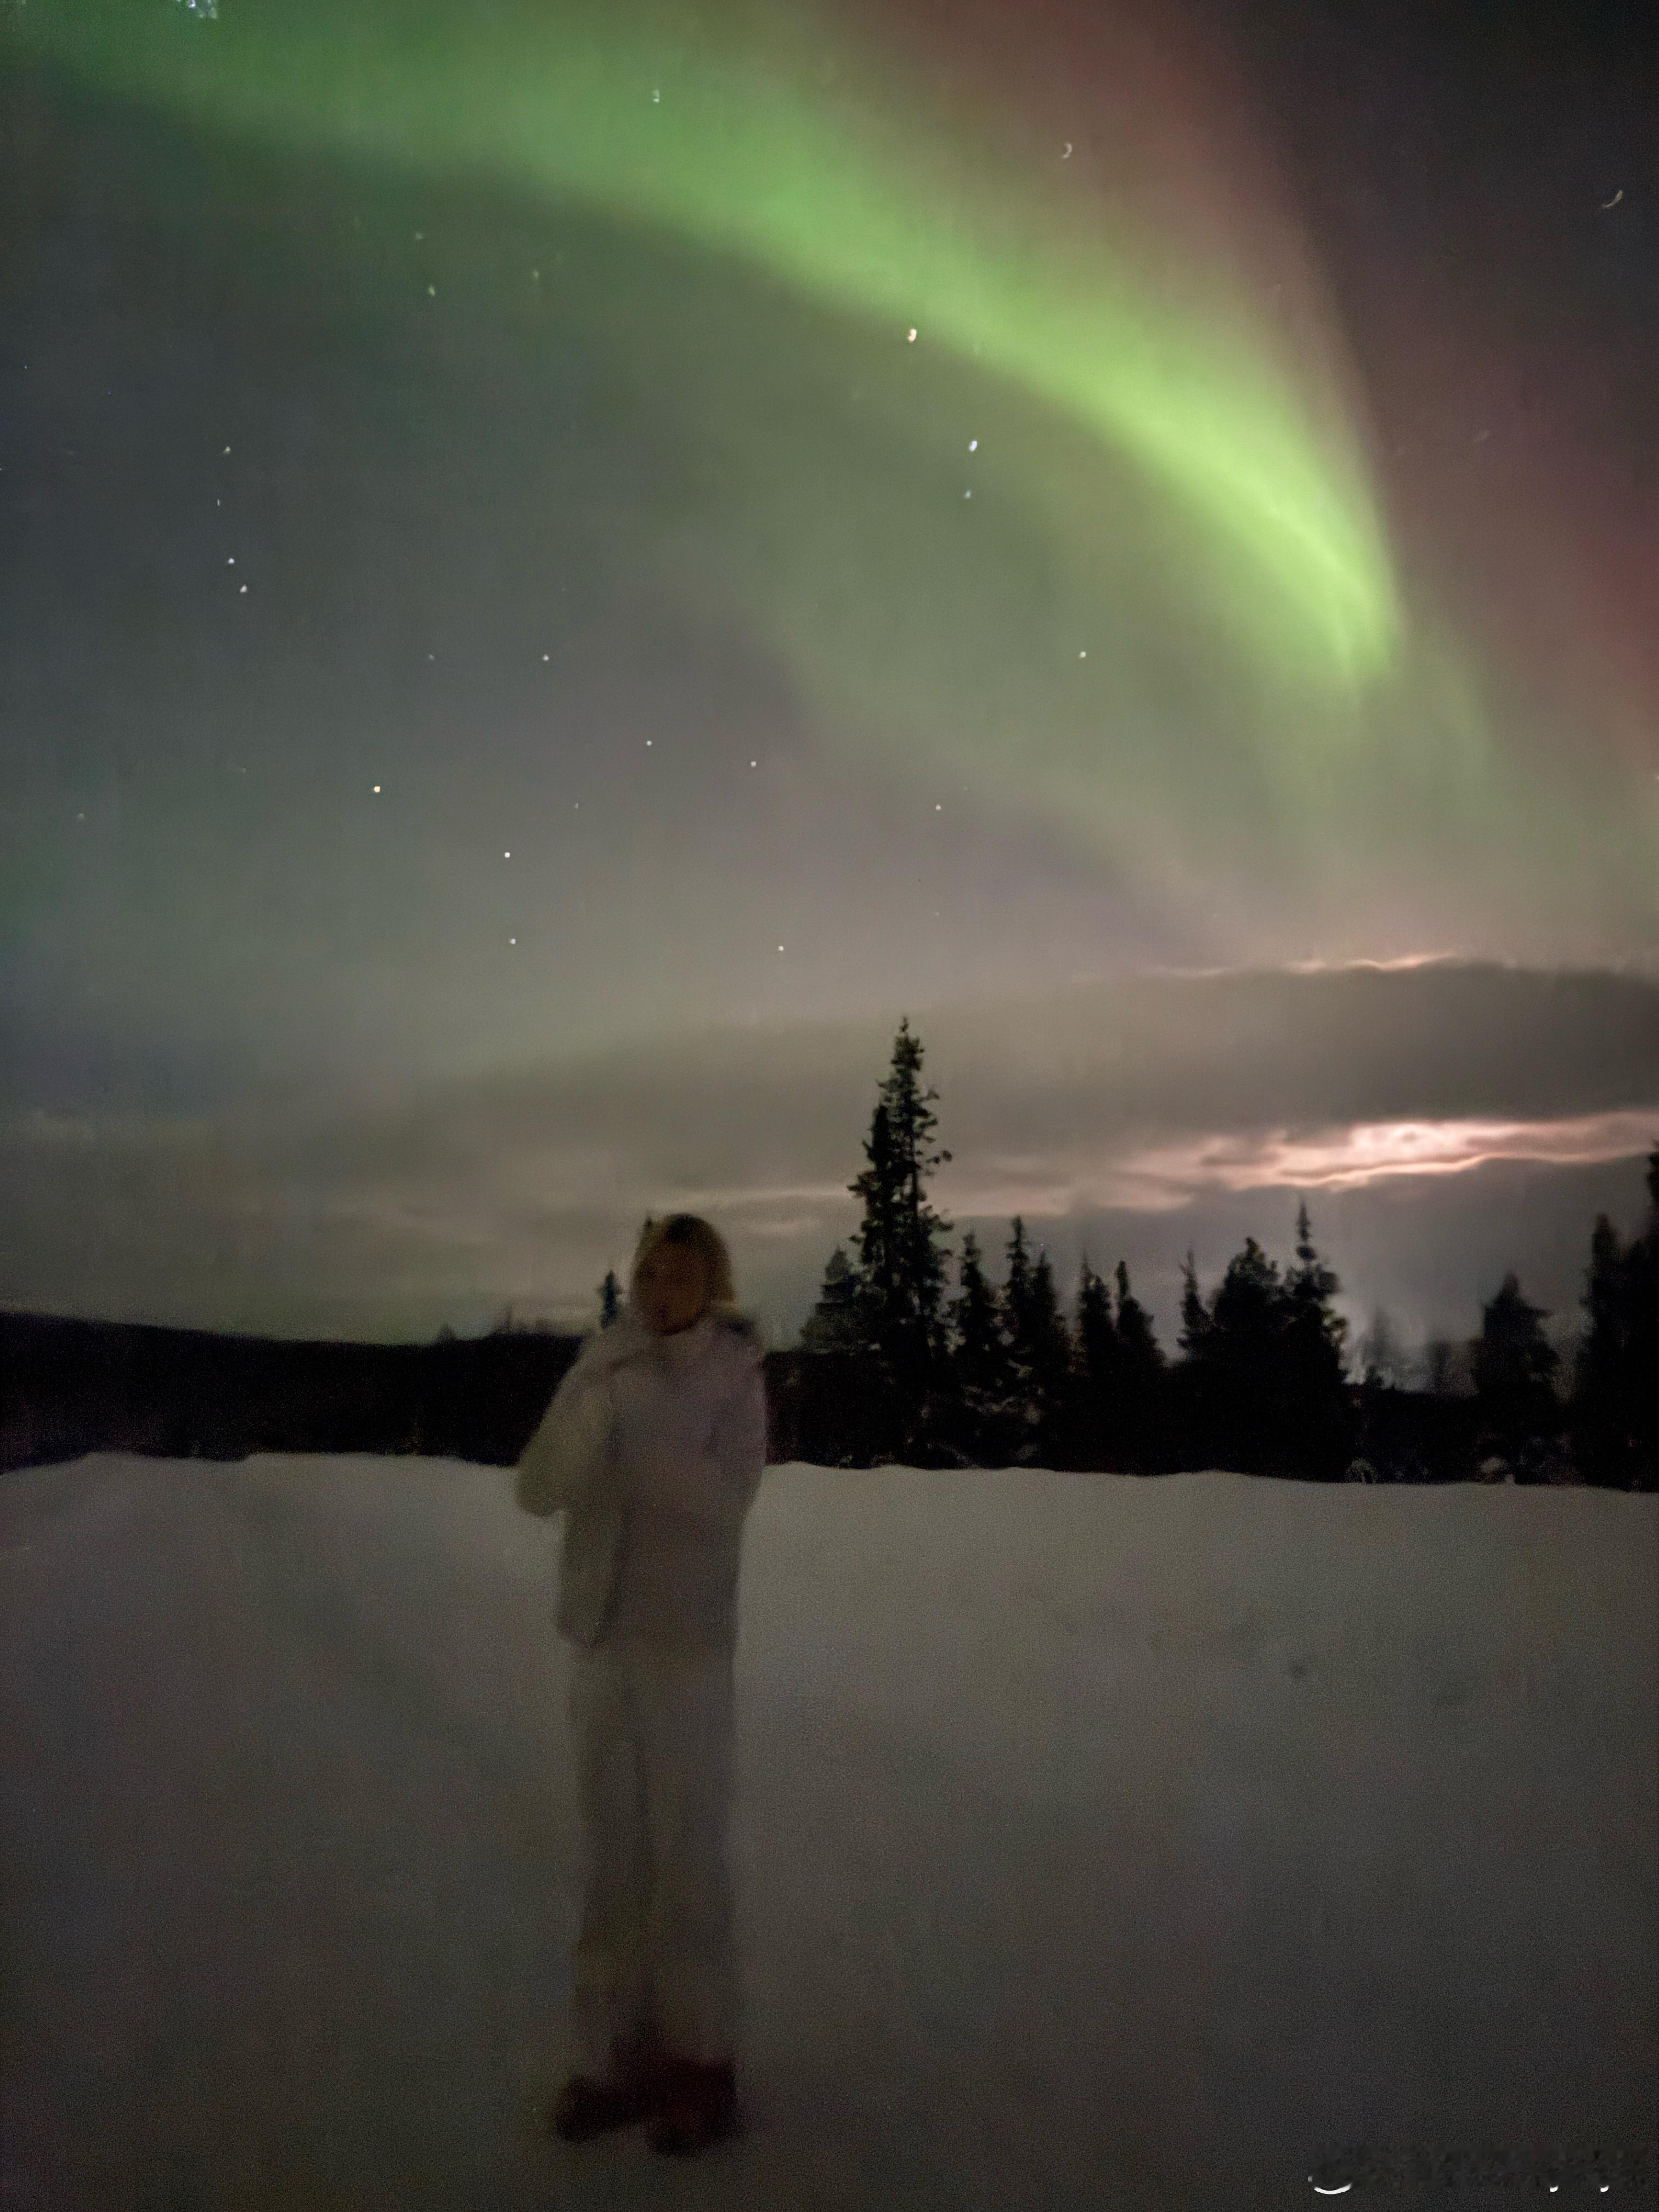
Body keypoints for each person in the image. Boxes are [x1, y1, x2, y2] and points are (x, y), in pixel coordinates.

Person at [514, 1213, 768, 2157]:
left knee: (685, 1863)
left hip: (686, 1650)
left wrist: (638, 1436)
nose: (662, 1290)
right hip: (603, 1643)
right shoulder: (600, 1366)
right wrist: (593, 1418)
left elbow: (725, 1502)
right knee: (612, 1860)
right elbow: (539, 1488)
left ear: (714, 1288)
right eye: (650, 1273)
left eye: (682, 1277)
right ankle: (613, 2055)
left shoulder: (733, 1378)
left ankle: (701, 2064)